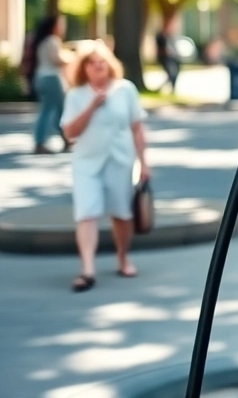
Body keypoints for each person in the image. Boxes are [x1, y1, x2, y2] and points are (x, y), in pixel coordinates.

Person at [61, 42, 149, 292]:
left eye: (102, 62)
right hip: (86, 162)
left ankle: (123, 257)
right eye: (91, 63)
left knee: (121, 214)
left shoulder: (125, 90)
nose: (98, 67)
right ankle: (87, 269)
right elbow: (70, 133)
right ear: (83, 68)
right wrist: (92, 106)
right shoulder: (76, 95)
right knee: (87, 213)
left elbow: (137, 128)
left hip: (120, 160)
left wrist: (144, 163)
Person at [26, 15, 70, 154]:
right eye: (60, 24)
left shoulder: (42, 41)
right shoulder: (52, 40)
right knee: (56, 110)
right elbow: (56, 59)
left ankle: (65, 139)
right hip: (52, 78)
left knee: (50, 110)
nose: (63, 28)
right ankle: (60, 139)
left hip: (41, 77)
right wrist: (70, 59)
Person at [154, 23, 180, 95]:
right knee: (171, 74)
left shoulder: (171, 36)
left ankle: (172, 89)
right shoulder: (161, 36)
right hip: (165, 58)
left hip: (173, 57)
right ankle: (163, 88)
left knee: (174, 74)